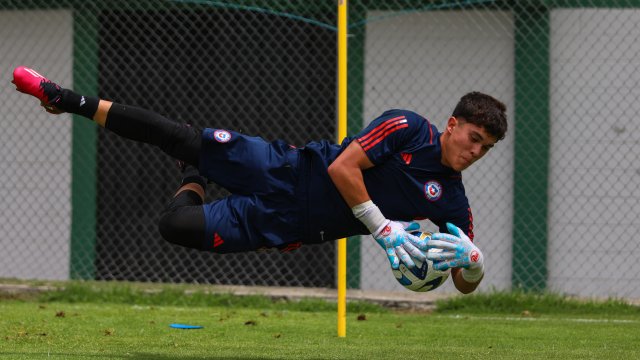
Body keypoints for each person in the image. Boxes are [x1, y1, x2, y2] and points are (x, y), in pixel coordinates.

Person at [12, 66, 507, 294]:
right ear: (452, 124)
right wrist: (384, 229)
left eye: (486, 147)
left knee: (174, 225)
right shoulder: (408, 127)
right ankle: (66, 99)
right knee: (178, 137)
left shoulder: (453, 203)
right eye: (474, 137)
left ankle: (193, 177)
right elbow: (342, 169)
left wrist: (474, 264)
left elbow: (462, 282)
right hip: (286, 167)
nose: (476, 150)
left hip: (286, 223)